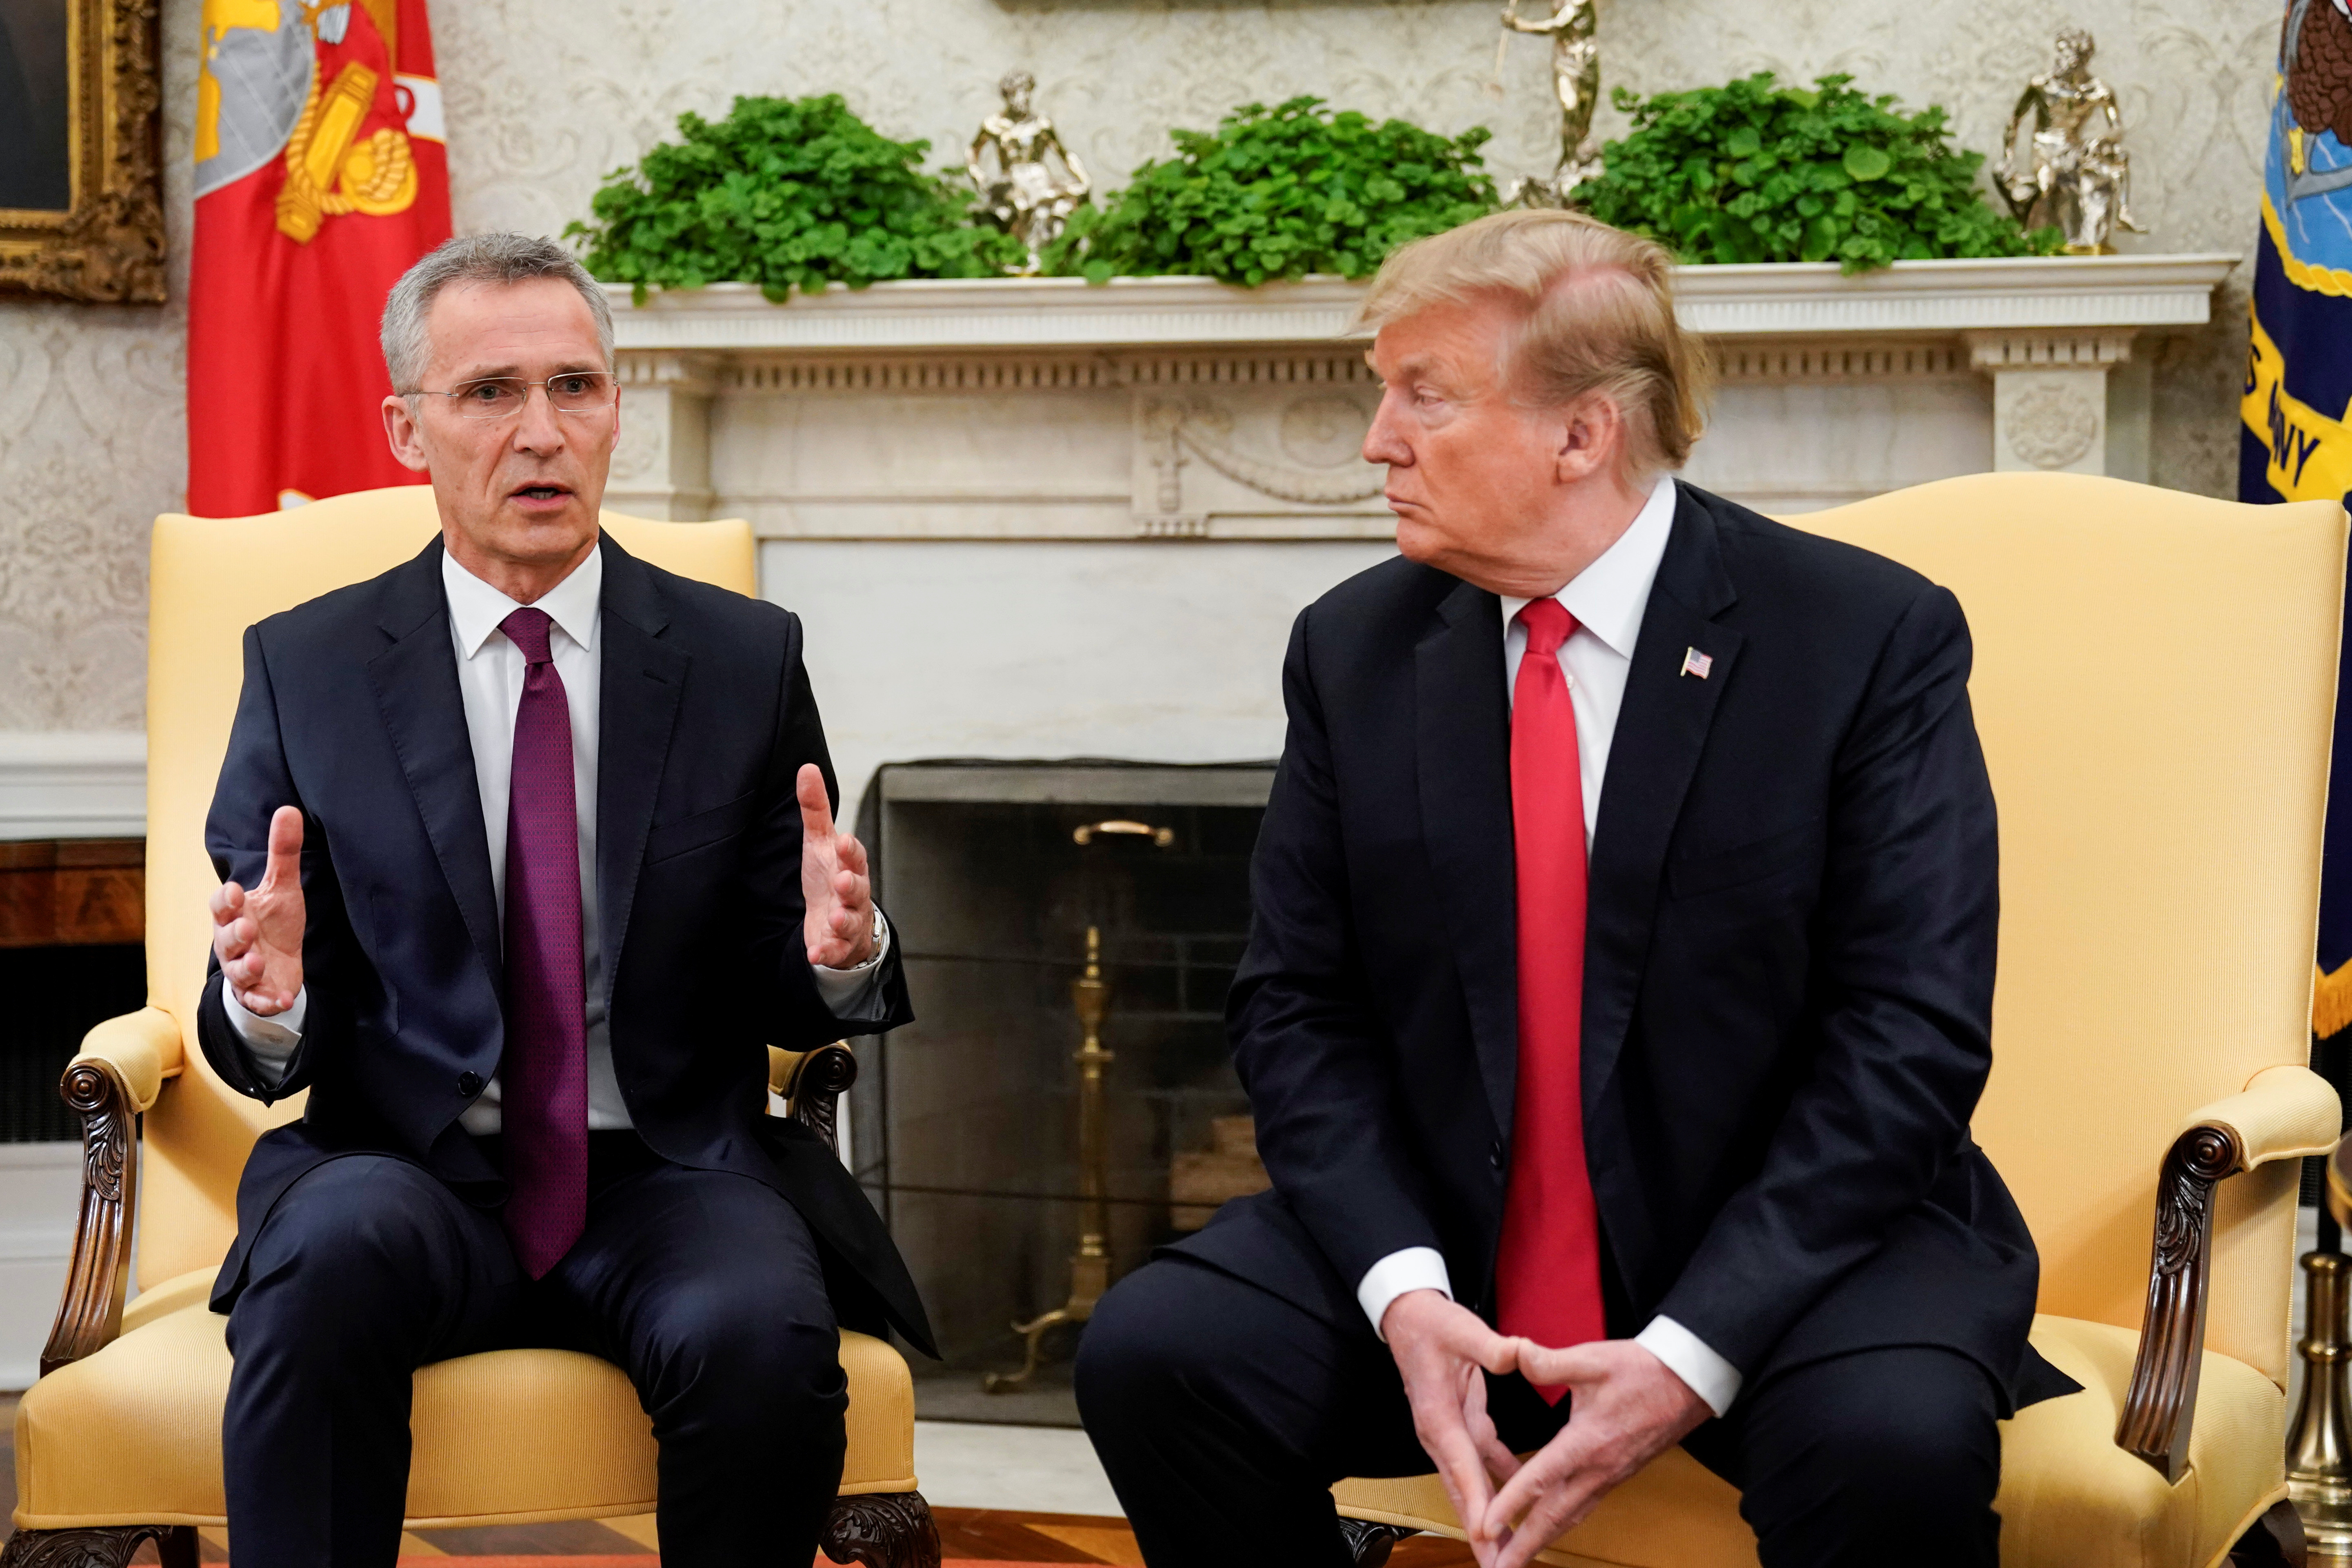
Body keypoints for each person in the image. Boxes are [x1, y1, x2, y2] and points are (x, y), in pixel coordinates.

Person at [1075, 209, 2072, 1568]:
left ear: (1580, 434)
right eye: (1384, 391)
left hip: (1787, 1248)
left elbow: (1907, 1039)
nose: (1377, 437)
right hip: (1459, 1248)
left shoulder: (1860, 639)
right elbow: (1294, 1006)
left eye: (1422, 395)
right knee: (1158, 1354)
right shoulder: (1354, 648)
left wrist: (1688, 1347)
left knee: (1888, 1446)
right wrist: (1402, 1290)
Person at [199, 231, 924, 1568]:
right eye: (489, 394)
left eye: (575, 388)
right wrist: (268, 997)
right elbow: (250, 1018)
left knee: (759, 1332)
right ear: (406, 427)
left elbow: (793, 950)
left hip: (665, 1165)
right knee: (325, 1265)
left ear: (611, 411)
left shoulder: (738, 656)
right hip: (405, 1162)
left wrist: (837, 951)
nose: (541, 432)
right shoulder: (305, 666)